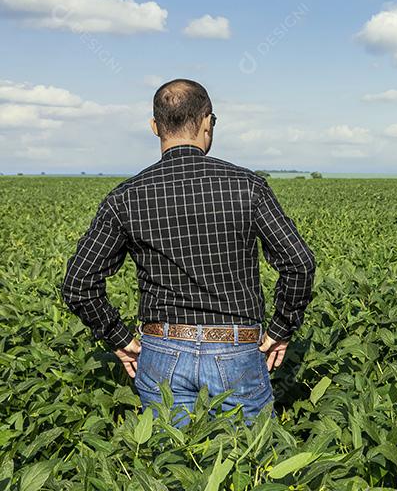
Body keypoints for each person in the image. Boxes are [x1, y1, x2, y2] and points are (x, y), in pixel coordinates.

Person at [60, 79, 316, 425]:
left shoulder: (125, 197)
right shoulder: (248, 186)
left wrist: (119, 339)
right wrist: (281, 329)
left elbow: (78, 283)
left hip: (162, 350)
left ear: (155, 127)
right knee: (249, 465)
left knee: (173, 465)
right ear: (207, 121)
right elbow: (299, 263)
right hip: (236, 348)